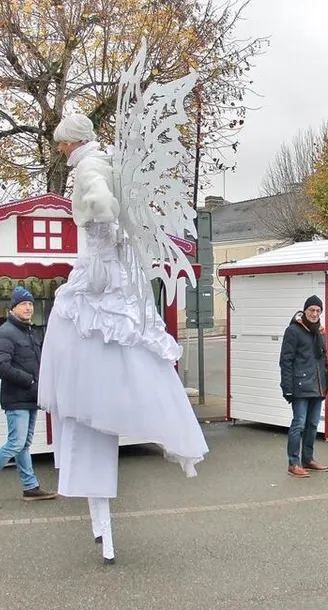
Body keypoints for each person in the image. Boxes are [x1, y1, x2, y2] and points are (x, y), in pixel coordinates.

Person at [38, 114, 208, 564]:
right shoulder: (107, 163)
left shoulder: (90, 168)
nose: (60, 151)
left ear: (70, 142)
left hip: (99, 284)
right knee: (111, 370)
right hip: (113, 282)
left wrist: (96, 243)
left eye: (61, 144)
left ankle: (102, 524)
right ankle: (101, 526)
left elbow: (103, 214)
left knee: (84, 356)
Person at [0, 287, 57, 506]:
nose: (28, 307)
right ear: (13, 307)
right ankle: (30, 486)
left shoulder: (31, 332)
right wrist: (30, 381)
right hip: (17, 397)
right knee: (15, 443)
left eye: (31, 304)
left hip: (31, 398)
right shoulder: (6, 332)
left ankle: (30, 487)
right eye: (23, 304)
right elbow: (2, 367)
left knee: (24, 444)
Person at [279, 295, 328, 478]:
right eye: (311, 310)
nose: (315, 314)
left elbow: (323, 360)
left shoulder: (319, 332)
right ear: (305, 311)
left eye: (318, 311)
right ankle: (294, 462)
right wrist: (287, 387)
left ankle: (308, 459)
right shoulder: (293, 330)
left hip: (317, 386)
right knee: (298, 424)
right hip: (300, 385)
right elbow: (286, 361)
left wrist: (326, 383)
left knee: (313, 424)